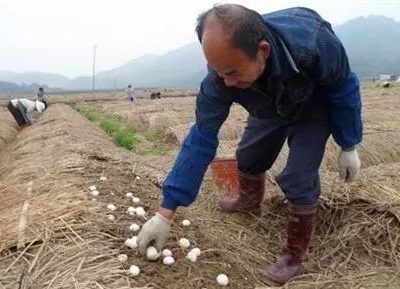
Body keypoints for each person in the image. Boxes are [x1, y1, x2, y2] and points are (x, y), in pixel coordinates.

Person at [137, 4, 362, 284]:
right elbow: (201, 139)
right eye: (219, 72)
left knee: (299, 177)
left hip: (311, 103)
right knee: (248, 157)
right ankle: (249, 199)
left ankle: (293, 256)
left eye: (232, 72)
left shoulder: (314, 44)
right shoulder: (220, 80)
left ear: (263, 52)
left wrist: (348, 143)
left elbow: (343, 87)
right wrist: (165, 213)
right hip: (267, 106)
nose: (227, 82)